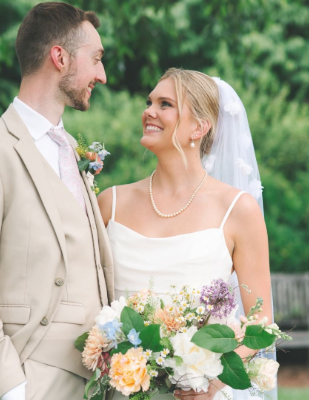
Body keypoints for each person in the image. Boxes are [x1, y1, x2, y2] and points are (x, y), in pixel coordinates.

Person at [0, 3, 113, 400]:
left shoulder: (73, 150)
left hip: (95, 382)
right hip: (28, 380)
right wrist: (10, 388)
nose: (101, 75)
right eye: (96, 59)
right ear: (60, 57)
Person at [98, 69, 275, 400]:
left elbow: (260, 321)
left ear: (200, 126)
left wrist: (214, 380)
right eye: (149, 101)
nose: (149, 111)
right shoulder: (111, 202)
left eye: (165, 104)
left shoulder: (238, 209)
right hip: (124, 390)